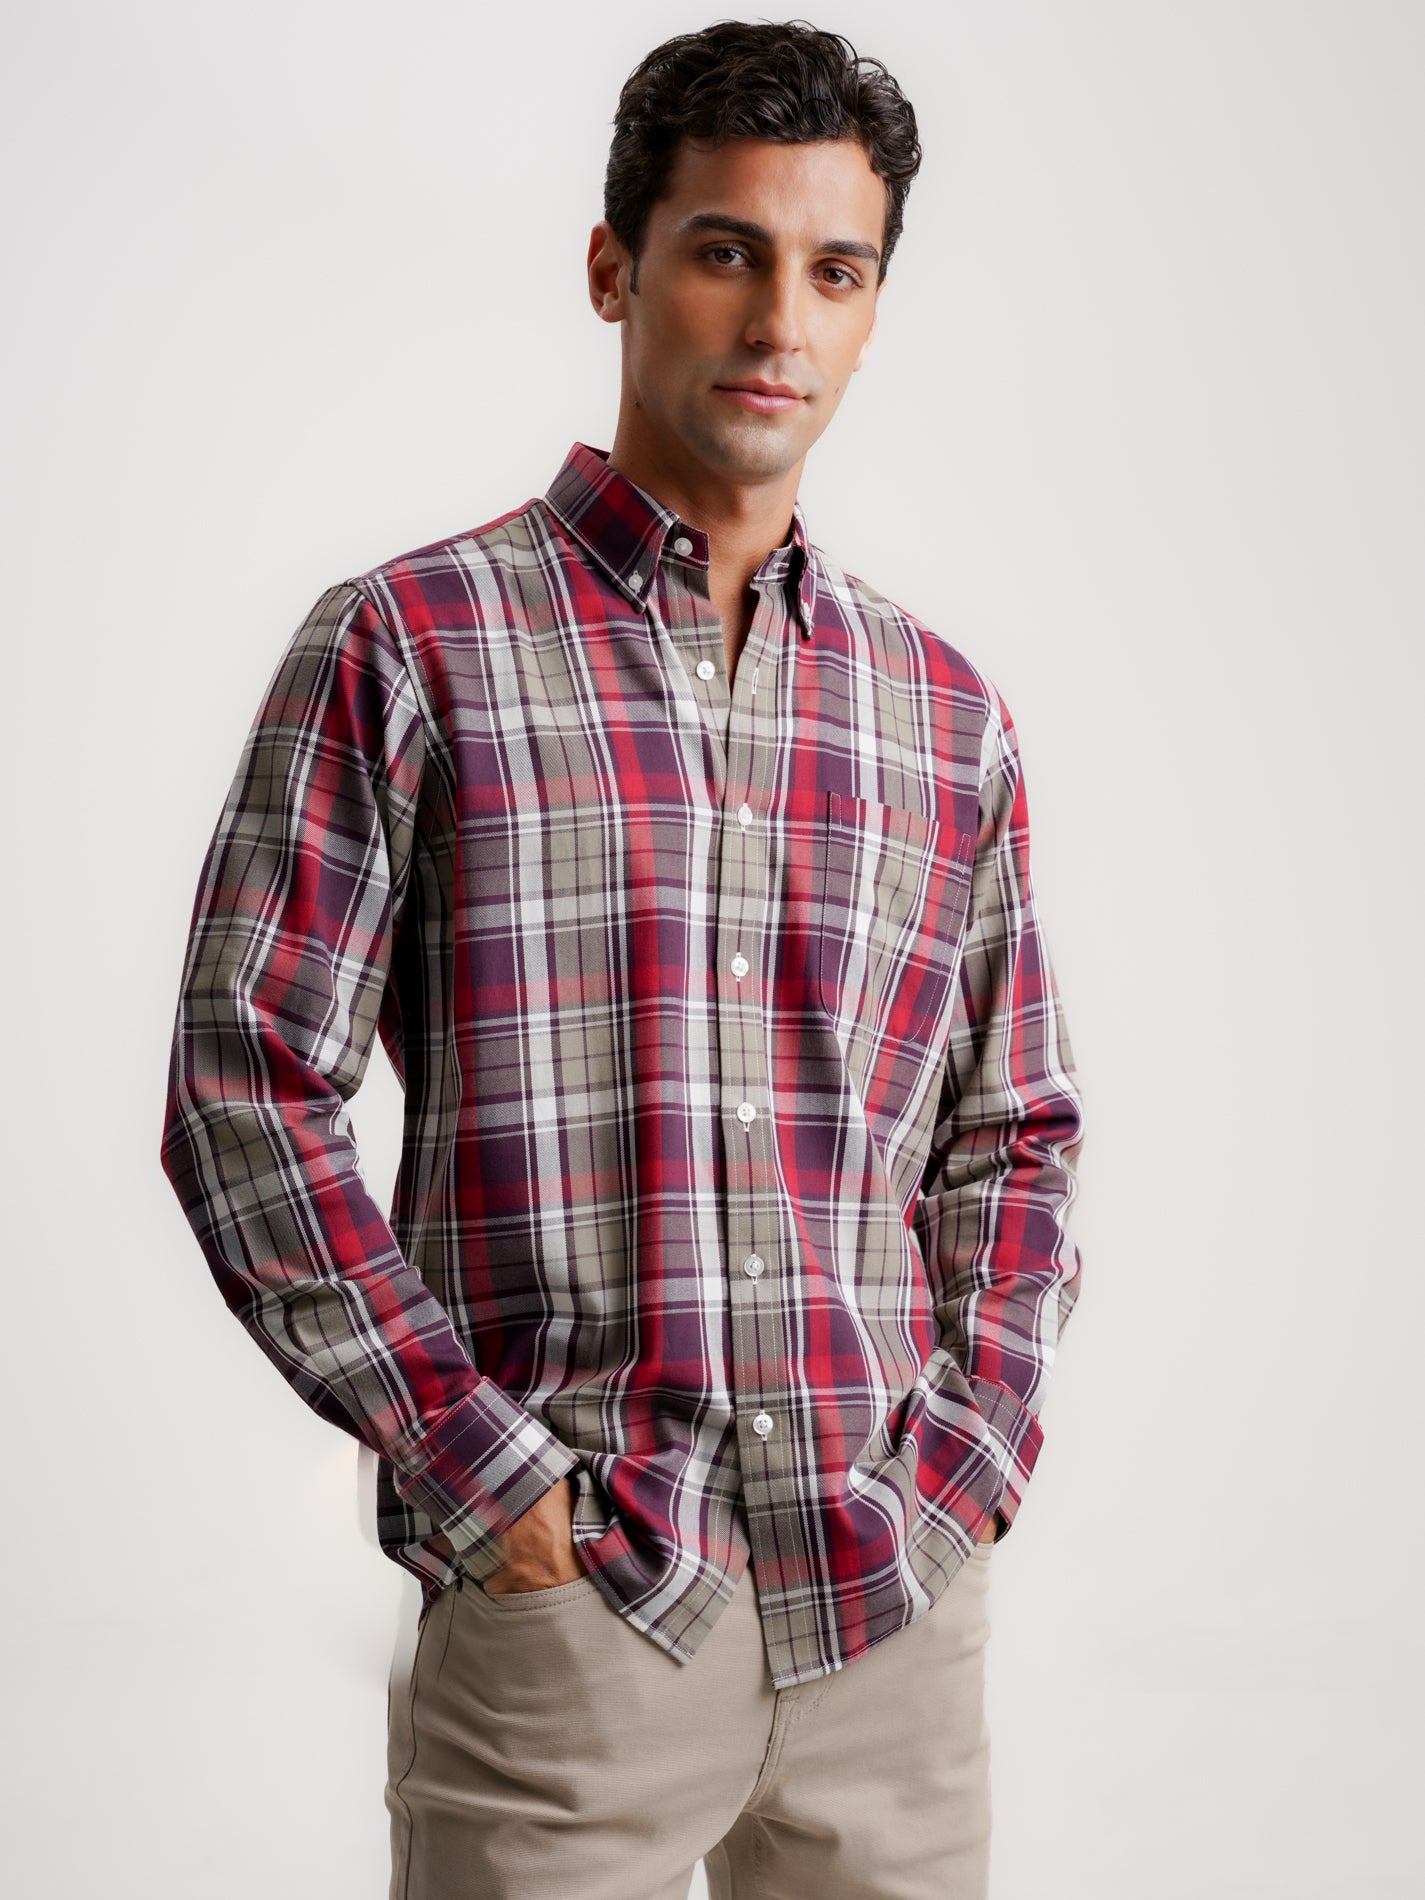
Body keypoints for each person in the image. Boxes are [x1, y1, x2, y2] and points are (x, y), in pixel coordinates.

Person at [159, 18, 1085, 1900]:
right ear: (616, 267)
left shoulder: (943, 716)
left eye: (835, 271)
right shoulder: (410, 647)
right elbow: (245, 1085)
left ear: (873, 312)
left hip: (890, 1615)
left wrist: (965, 1469)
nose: (779, 320)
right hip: (573, 1629)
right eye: (726, 250)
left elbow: (1014, 1133)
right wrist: (483, 1482)